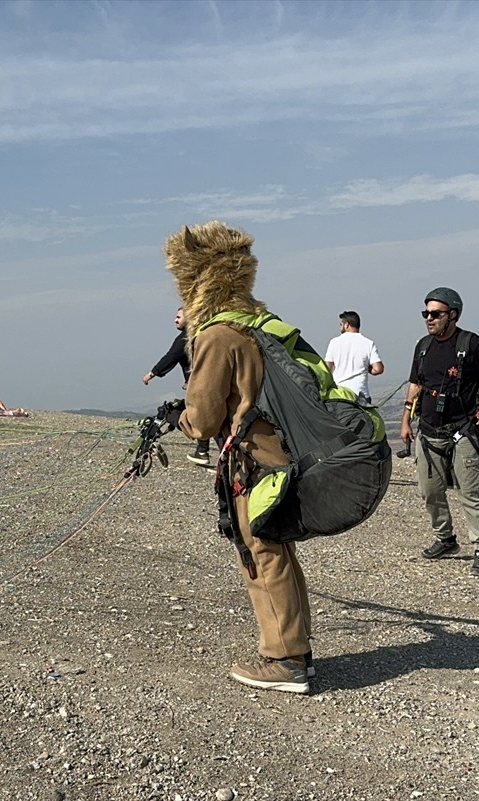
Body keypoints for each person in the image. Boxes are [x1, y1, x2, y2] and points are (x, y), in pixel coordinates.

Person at [162, 221, 313, 694]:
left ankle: (284, 661)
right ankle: (296, 652)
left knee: (261, 556)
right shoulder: (256, 323)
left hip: (253, 467)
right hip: (282, 459)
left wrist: (179, 421)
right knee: (277, 554)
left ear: (195, 279)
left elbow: (204, 420)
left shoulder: (216, 336)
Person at [399, 287, 479, 578]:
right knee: (429, 491)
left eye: (435, 314)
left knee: (469, 493)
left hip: (464, 432)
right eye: (426, 314)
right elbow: (415, 385)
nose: (429, 319)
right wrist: (405, 420)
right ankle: (445, 538)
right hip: (429, 431)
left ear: (453, 315)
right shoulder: (422, 347)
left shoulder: (471, 344)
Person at [143, 307, 212, 466]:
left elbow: (171, 357)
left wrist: (151, 374)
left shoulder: (185, 338)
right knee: (213, 417)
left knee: (192, 416)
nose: (175, 320)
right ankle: (206, 453)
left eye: (178, 317)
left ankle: (203, 452)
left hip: (200, 387)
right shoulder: (203, 335)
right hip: (208, 384)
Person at [324, 310, 384, 403]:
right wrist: (367, 368)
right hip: (361, 395)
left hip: (340, 394)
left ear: (346, 324)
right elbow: (378, 369)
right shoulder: (368, 343)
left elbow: (327, 369)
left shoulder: (334, 342)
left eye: (341, 324)